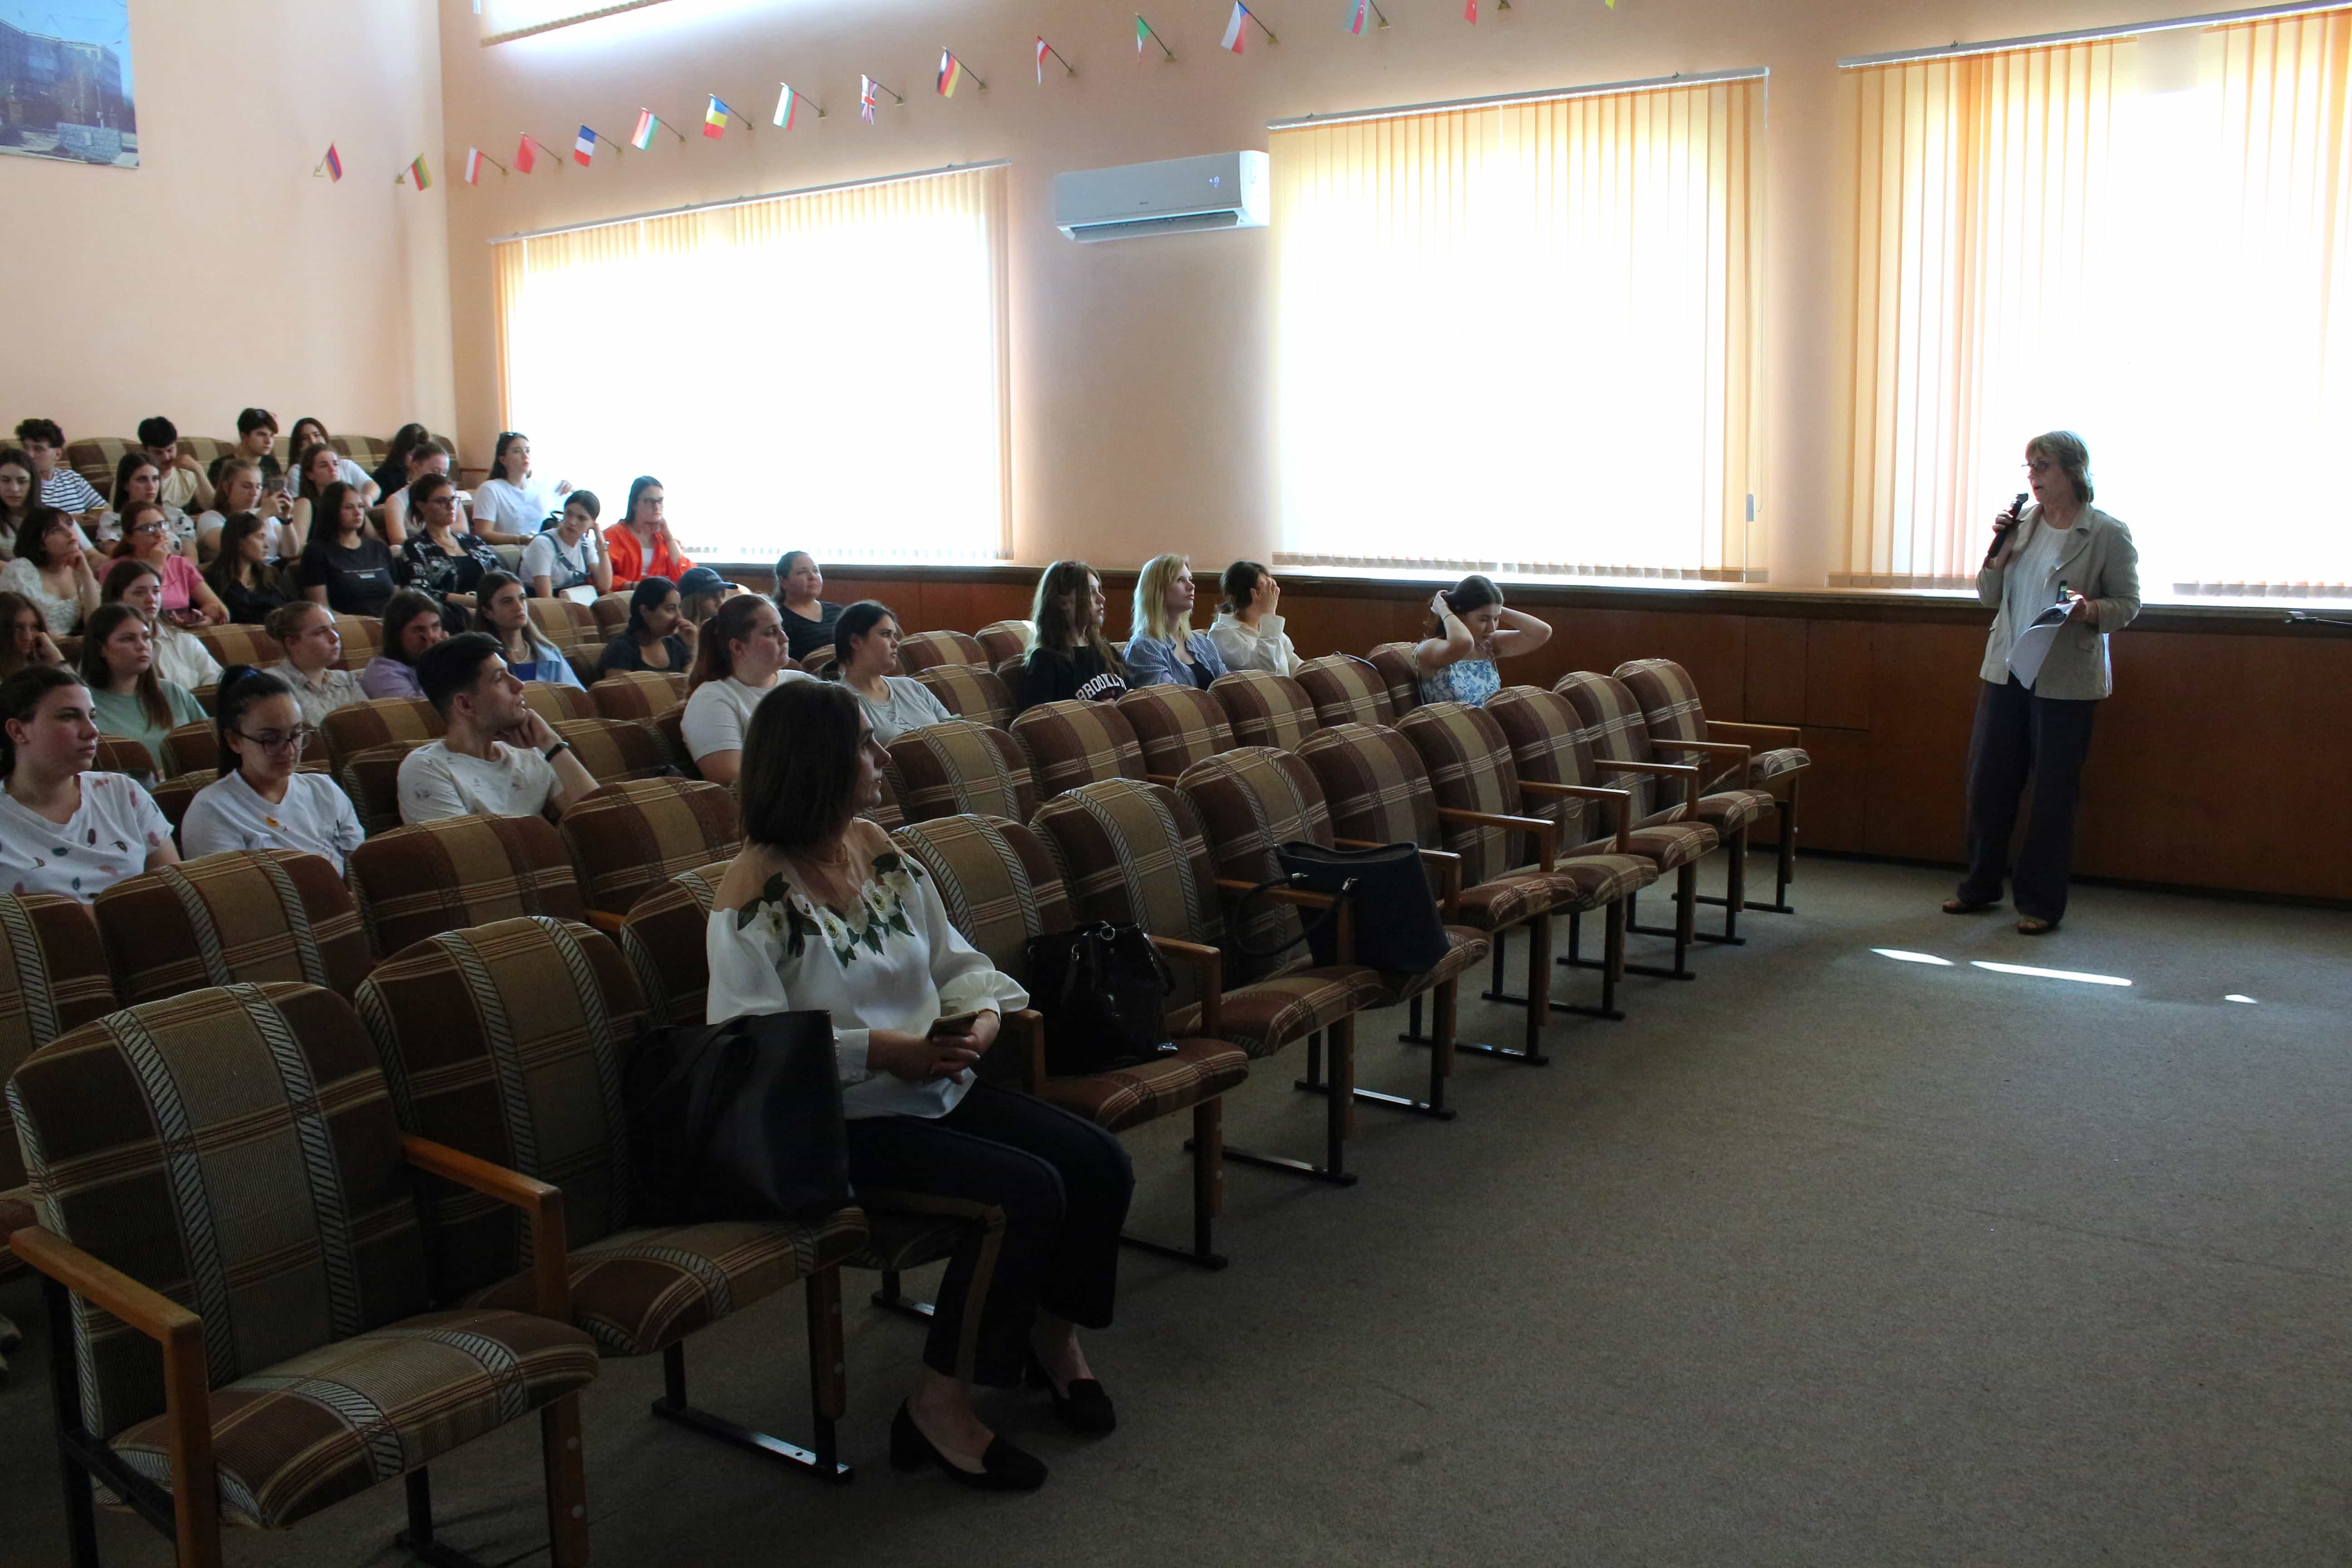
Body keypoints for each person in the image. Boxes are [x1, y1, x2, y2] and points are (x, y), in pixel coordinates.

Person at [705, 681, 1130, 1491]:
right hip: (845, 1126)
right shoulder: (751, 896)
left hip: (933, 1088)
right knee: (1022, 1196)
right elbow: (747, 1049)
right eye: (865, 745)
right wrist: (880, 1051)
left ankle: (1052, 1337)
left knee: (1098, 1163)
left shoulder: (876, 849)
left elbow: (956, 962)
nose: (882, 756)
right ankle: (938, 1404)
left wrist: (982, 1021)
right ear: (817, 765)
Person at [1946, 430, 2142, 936]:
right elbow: (1988, 596)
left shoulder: (2106, 532)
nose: (2033, 476)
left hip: (2065, 679)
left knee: (2053, 795)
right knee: (1989, 784)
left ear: (2073, 471)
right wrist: (2000, 553)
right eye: (2029, 467)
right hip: (2007, 669)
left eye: (2043, 466)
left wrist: (2089, 610)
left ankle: (2040, 903)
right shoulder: (2022, 526)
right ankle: (1980, 885)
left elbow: (2128, 604)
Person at [0, 666, 177, 898]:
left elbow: (176, 895)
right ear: (18, 731)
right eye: (69, 716)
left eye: (92, 717)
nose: (92, 731)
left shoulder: (124, 793)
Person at [397, 633, 598, 825]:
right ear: (466, 705)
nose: (519, 685)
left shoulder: (529, 753)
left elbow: (600, 818)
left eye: (510, 672)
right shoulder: (427, 768)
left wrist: (552, 744)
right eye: (500, 678)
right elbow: (472, 847)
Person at [180, 666, 365, 872]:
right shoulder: (212, 811)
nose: (290, 751)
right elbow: (234, 889)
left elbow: (359, 872)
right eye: (271, 739)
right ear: (235, 740)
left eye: (296, 734)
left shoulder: (324, 791)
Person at [681, 593, 806, 785]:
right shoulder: (711, 699)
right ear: (738, 647)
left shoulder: (801, 681)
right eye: (771, 632)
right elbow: (732, 781)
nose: (785, 638)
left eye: (782, 629)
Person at [78, 604, 207, 777]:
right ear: (101, 648)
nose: (142, 646)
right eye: (128, 639)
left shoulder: (173, 692)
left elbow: (211, 745)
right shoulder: (85, 702)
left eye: (146, 638)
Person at [1411, 573, 1551, 708]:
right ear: (1460, 615)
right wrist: (1444, 609)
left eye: (1496, 619)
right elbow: (1465, 643)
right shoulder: (1430, 648)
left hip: (1488, 723)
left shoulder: (1487, 646)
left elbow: (1542, 632)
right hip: (1452, 724)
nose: (1492, 628)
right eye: (1484, 619)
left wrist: (1492, 607)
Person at [1012, 561, 1128, 714]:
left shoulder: (1108, 652)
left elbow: (1133, 697)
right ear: (1062, 602)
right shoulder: (1045, 661)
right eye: (1090, 592)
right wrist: (1098, 711)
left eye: (1099, 590)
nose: (1102, 599)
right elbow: (1038, 721)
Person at [833, 601, 951, 745]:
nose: (896, 643)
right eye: (886, 634)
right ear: (856, 641)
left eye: (894, 635)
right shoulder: (839, 703)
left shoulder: (913, 687)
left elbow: (954, 734)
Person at [102, 559, 220, 692]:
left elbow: (217, 683)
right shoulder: (108, 647)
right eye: (140, 592)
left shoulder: (183, 640)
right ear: (118, 599)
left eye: (156, 591)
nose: (151, 599)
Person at [400, 472, 503, 616]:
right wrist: (476, 603)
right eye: (442, 501)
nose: (451, 506)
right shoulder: (416, 546)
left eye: (453, 499)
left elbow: (501, 578)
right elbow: (420, 593)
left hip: (491, 612)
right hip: (449, 616)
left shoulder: (474, 542)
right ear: (422, 506)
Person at [110, 502, 226, 627]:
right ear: (129, 538)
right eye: (148, 528)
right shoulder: (115, 569)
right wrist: (156, 566)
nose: (158, 534)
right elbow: (119, 619)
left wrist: (204, 620)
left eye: (162, 526)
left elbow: (222, 612)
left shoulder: (180, 565)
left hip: (183, 634)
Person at [1124, 554, 1229, 690]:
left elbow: (1227, 687)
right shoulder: (1144, 647)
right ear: (1157, 590)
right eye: (1180, 580)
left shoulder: (1202, 642)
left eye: (1190, 579)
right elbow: (1173, 699)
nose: (1191, 586)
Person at [300, 481, 399, 617]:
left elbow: (397, 599)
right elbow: (321, 608)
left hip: (388, 624)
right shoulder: (316, 551)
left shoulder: (379, 548)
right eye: (349, 507)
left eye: (361, 506)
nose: (358, 512)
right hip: (347, 625)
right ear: (332, 511)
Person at [265, 601, 367, 729]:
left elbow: (370, 724)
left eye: (334, 629)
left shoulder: (347, 680)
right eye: (320, 632)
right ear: (292, 644)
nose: (335, 638)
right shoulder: (273, 684)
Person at [476, 571, 585, 690]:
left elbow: (576, 695)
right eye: (507, 601)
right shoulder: (480, 661)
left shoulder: (550, 655)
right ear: (487, 612)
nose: (519, 607)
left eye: (522, 599)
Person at [0, 509, 99, 635]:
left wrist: (86, 574)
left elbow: (96, 625)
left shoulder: (79, 569)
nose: (70, 533)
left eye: (69, 524)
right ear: (40, 544)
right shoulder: (19, 572)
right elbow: (10, 627)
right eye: (56, 530)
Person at [473, 431, 572, 545]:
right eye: (517, 451)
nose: (525, 456)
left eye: (528, 451)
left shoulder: (541, 487)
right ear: (503, 460)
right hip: (509, 552)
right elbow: (484, 533)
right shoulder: (490, 489)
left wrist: (571, 491)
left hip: (543, 549)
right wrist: (521, 540)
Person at [1207, 560, 1302, 677]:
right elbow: (1266, 671)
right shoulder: (1220, 634)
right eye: (1260, 592)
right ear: (1235, 597)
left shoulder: (1270, 631)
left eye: (1269, 590)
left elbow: (1297, 668)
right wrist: (1269, 614)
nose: (1268, 598)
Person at [195, 456, 296, 564]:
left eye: (259, 487)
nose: (254, 493)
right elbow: (230, 546)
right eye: (247, 487)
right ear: (226, 487)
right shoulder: (211, 518)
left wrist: (286, 520)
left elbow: (290, 553)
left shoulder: (266, 515)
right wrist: (263, 515)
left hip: (273, 570)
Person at [604, 475, 693, 589]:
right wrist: (634, 586)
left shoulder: (666, 538)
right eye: (649, 502)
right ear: (634, 504)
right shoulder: (613, 535)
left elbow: (686, 578)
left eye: (660, 501)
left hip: (662, 597)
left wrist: (669, 538)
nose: (657, 507)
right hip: (625, 596)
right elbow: (601, 578)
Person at [203, 510, 291, 625]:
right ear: (239, 541)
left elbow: (291, 611)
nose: (266, 545)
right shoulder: (211, 581)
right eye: (260, 537)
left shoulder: (272, 575)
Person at [12, 419, 106, 524]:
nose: (29, 455)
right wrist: (67, 520)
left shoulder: (73, 478)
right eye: (25, 448)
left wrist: (96, 517)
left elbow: (105, 509)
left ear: (58, 454)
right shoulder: (17, 485)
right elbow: (22, 523)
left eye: (38, 449)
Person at [598, 576, 696, 676]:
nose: (679, 618)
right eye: (670, 609)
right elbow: (621, 686)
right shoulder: (621, 650)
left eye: (679, 608)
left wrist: (692, 648)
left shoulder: (676, 645)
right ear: (644, 611)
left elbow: (695, 683)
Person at [522, 491, 611, 600]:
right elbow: (546, 599)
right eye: (569, 514)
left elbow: (605, 585)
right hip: (542, 605)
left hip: (571, 603)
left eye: (582, 518)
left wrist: (601, 544)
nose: (572, 522)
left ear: (593, 524)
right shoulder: (542, 544)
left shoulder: (585, 543)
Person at [104, 453, 194, 558]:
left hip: (177, 568)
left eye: (155, 479)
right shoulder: (112, 520)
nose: (151, 487)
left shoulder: (177, 516)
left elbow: (192, 558)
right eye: (142, 480)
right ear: (126, 485)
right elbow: (117, 558)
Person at [363, 589, 447, 700]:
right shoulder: (382, 673)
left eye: (436, 626)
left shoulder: (423, 663)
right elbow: (420, 708)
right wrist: (439, 663)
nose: (431, 636)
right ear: (396, 634)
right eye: (418, 630)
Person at [376, 439, 456, 551]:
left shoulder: (450, 494)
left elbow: (464, 529)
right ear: (415, 467)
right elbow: (398, 541)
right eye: (436, 471)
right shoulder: (396, 501)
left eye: (445, 473)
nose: (441, 477)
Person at [136, 416, 216, 515]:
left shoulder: (186, 476)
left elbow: (213, 509)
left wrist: (199, 470)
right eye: (158, 453)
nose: (166, 457)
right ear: (144, 450)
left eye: (170, 450)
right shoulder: (136, 478)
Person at [284, 417, 377, 501]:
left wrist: (368, 497)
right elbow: (297, 503)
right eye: (305, 438)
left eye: (317, 435)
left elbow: (371, 485)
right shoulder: (297, 470)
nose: (313, 441)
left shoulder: (346, 464)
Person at [774, 550, 841, 661]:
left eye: (816, 571)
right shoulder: (778, 619)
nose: (812, 576)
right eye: (802, 572)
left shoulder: (836, 612)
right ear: (783, 582)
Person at [0, 592, 65, 679]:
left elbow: (77, 687)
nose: (28, 637)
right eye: (18, 628)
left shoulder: (39, 667)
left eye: (34, 627)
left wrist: (57, 658)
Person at [373, 422, 431, 501]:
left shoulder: (427, 474)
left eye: (422, 455)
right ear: (401, 452)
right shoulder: (384, 477)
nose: (417, 459)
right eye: (412, 454)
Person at [0, 447, 37, 560]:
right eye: (5, 480)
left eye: (22, 481)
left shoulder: (53, 517)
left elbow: (86, 553)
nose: (14, 489)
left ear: (33, 484)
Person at [232, 407, 282, 484]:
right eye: (261, 435)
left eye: (272, 436)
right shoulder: (222, 466)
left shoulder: (271, 463)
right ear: (244, 437)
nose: (269, 441)